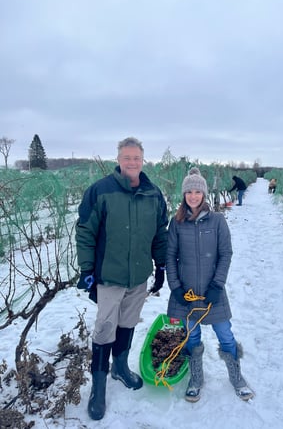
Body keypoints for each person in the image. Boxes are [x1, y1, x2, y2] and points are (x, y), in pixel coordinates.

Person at [76, 137, 168, 420]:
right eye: (127, 157)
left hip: (139, 277)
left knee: (128, 323)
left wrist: (161, 265)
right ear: (118, 159)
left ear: (143, 160)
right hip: (110, 276)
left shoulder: (153, 194)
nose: (132, 162)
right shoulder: (100, 191)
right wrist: (87, 270)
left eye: (136, 158)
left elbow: (160, 232)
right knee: (105, 327)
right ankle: (99, 387)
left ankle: (120, 368)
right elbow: (85, 232)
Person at [166, 167, 254, 402]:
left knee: (225, 334)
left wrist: (217, 284)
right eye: (189, 192)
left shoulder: (217, 221)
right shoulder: (176, 223)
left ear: (204, 195)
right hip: (188, 294)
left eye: (197, 191)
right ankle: (196, 378)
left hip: (212, 291)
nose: (193, 196)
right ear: (183, 195)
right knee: (191, 337)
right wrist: (175, 287)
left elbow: (226, 254)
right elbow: (170, 256)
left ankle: (237, 377)